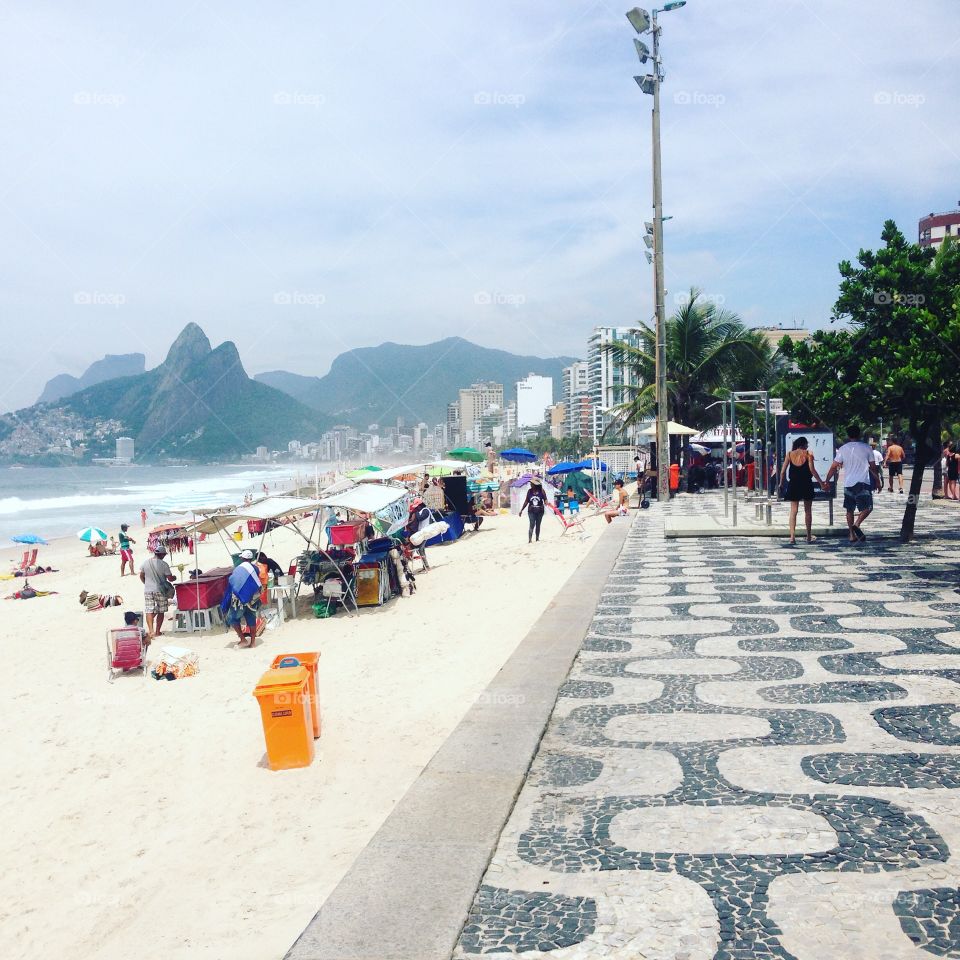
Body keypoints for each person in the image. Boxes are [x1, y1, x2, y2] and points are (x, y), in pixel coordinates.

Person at [823, 425, 882, 544]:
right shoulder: (866, 448)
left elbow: (834, 466)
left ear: (848, 435)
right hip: (863, 482)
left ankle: (851, 535)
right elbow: (873, 467)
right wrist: (877, 480)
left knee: (849, 510)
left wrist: (827, 480)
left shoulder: (843, 449)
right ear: (859, 434)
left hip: (848, 483)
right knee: (868, 507)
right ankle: (857, 524)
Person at [779, 437, 825, 545]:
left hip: (793, 484)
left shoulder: (790, 454)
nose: (807, 446)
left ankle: (792, 537)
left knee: (793, 510)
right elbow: (812, 470)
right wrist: (821, 484)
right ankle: (808, 536)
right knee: (808, 510)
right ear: (803, 444)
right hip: (806, 483)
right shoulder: (809, 454)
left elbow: (782, 471)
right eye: (806, 444)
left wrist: (781, 483)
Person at [220, 550, 263, 648]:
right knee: (251, 618)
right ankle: (252, 643)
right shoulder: (255, 569)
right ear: (251, 559)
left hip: (239, 600)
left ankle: (243, 639)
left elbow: (233, 582)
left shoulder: (237, 569)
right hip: (252, 598)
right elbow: (253, 582)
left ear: (242, 558)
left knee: (233, 618)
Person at [139, 545, 174, 639]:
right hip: (160, 590)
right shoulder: (164, 564)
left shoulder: (145, 563)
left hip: (148, 590)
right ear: (162, 554)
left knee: (149, 610)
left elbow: (141, 575)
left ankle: (151, 632)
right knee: (161, 611)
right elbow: (170, 578)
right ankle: (158, 631)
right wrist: (174, 578)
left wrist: (146, 583)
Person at [407, 497, 433, 569]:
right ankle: (425, 566)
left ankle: (426, 566)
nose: (416, 508)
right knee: (421, 550)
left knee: (421, 549)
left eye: (417, 507)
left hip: (426, 533)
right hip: (421, 533)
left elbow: (420, 518)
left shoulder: (426, 511)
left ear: (420, 505)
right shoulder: (420, 511)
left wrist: (415, 512)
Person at [518, 476, 547, 543]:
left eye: (532, 484)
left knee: (538, 525)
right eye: (531, 483)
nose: (530, 484)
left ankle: (537, 538)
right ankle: (530, 540)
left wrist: (546, 502)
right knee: (532, 524)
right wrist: (521, 510)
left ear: (535, 485)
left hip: (540, 511)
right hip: (531, 511)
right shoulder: (529, 491)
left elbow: (545, 499)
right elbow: (526, 501)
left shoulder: (542, 491)